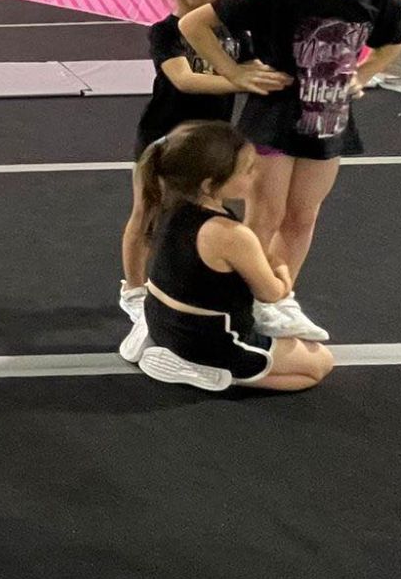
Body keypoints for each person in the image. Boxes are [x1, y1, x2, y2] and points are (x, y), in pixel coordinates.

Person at [179, 0, 401, 342]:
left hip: (330, 121)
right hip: (274, 118)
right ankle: (244, 295)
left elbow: (396, 40)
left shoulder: (380, 0)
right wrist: (234, 72)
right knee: (264, 214)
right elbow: (194, 24)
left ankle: (280, 296)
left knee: (302, 216)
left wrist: (362, 72)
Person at [118, 0, 288, 363]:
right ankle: (135, 291)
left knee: (197, 222)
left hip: (214, 148)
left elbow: (265, 63)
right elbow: (185, 79)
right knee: (148, 214)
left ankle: (179, 296)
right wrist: (241, 80)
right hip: (163, 141)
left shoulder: (237, 33)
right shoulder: (166, 32)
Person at [134, 122, 335, 392]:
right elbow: (271, 293)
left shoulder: (169, 204)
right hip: (210, 340)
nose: (256, 175)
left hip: (159, 321)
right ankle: (207, 369)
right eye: (247, 171)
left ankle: (185, 354)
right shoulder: (231, 234)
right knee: (320, 364)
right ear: (209, 183)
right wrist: (282, 270)